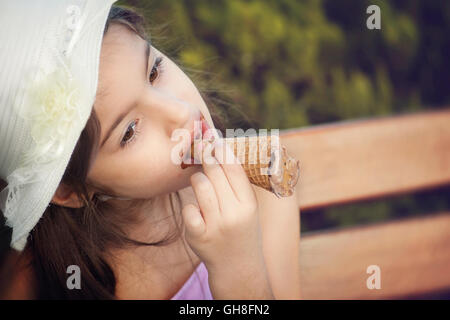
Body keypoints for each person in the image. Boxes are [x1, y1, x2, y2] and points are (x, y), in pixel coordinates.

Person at [0, 0, 301, 299]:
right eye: (129, 132)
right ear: (69, 190)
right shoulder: (44, 283)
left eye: (154, 71)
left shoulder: (262, 192)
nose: (181, 112)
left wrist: (242, 271)